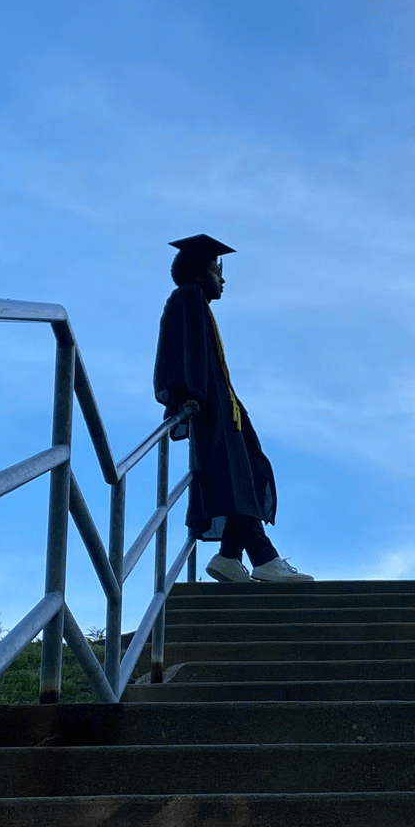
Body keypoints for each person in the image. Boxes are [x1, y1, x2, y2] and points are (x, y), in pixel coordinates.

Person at [153, 234, 314, 584]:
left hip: (222, 409)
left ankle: (230, 556)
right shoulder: (188, 298)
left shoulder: (197, 304)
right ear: (198, 274)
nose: (222, 279)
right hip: (210, 409)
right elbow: (178, 353)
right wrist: (187, 397)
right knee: (234, 481)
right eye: (215, 270)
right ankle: (263, 558)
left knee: (244, 477)